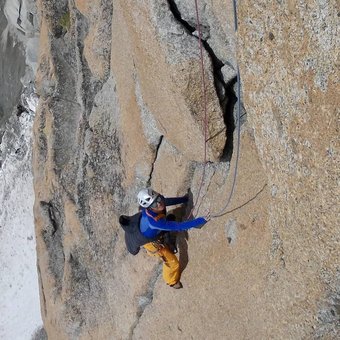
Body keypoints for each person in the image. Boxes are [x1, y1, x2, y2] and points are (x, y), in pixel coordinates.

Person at [137, 188, 210, 289]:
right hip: (151, 244)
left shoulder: (156, 202)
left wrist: (184, 199)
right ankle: (171, 281)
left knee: (170, 218)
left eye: (158, 199)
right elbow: (179, 226)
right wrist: (201, 220)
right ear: (149, 208)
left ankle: (167, 240)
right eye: (155, 204)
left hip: (155, 232)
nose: (159, 204)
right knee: (173, 263)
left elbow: (166, 201)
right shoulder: (154, 222)